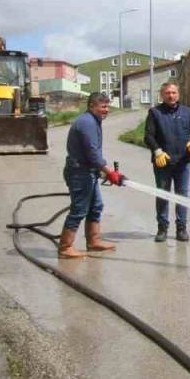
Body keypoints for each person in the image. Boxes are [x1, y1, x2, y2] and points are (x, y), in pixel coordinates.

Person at [60, 92, 125, 259]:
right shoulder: (87, 123)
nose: (107, 110)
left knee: (96, 206)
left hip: (88, 171)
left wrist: (101, 171)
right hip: (79, 173)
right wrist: (109, 172)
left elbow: (93, 155)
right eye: (103, 106)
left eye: (108, 106)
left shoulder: (92, 120)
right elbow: (92, 153)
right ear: (91, 106)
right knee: (79, 209)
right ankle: (65, 247)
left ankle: (93, 242)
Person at [144, 81, 190, 243]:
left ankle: (181, 229)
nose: (171, 95)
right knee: (162, 195)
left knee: (182, 196)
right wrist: (157, 151)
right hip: (163, 163)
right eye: (167, 93)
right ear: (162, 95)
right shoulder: (155, 113)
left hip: (182, 162)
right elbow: (148, 136)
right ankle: (162, 228)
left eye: (174, 92)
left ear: (178, 94)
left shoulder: (187, 112)